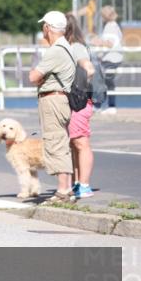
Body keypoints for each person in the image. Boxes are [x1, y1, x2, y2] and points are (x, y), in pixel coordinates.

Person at [28, 11, 76, 203]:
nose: (43, 29)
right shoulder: (67, 47)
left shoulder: (56, 50)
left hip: (53, 100)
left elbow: (33, 76)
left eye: (44, 26)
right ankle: (68, 188)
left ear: (48, 27)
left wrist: (36, 74)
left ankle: (62, 191)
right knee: (62, 143)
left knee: (55, 142)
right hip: (61, 99)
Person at [65, 13, 96, 199]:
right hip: (77, 101)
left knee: (81, 142)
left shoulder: (76, 47)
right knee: (74, 143)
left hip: (79, 101)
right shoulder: (72, 46)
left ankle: (84, 185)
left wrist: (78, 88)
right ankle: (77, 183)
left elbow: (88, 68)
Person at [95, 5, 123, 115]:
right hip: (111, 58)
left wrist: (97, 42)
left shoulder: (111, 26)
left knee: (105, 81)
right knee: (105, 81)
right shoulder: (112, 26)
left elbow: (110, 43)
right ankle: (106, 105)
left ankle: (106, 106)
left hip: (112, 58)